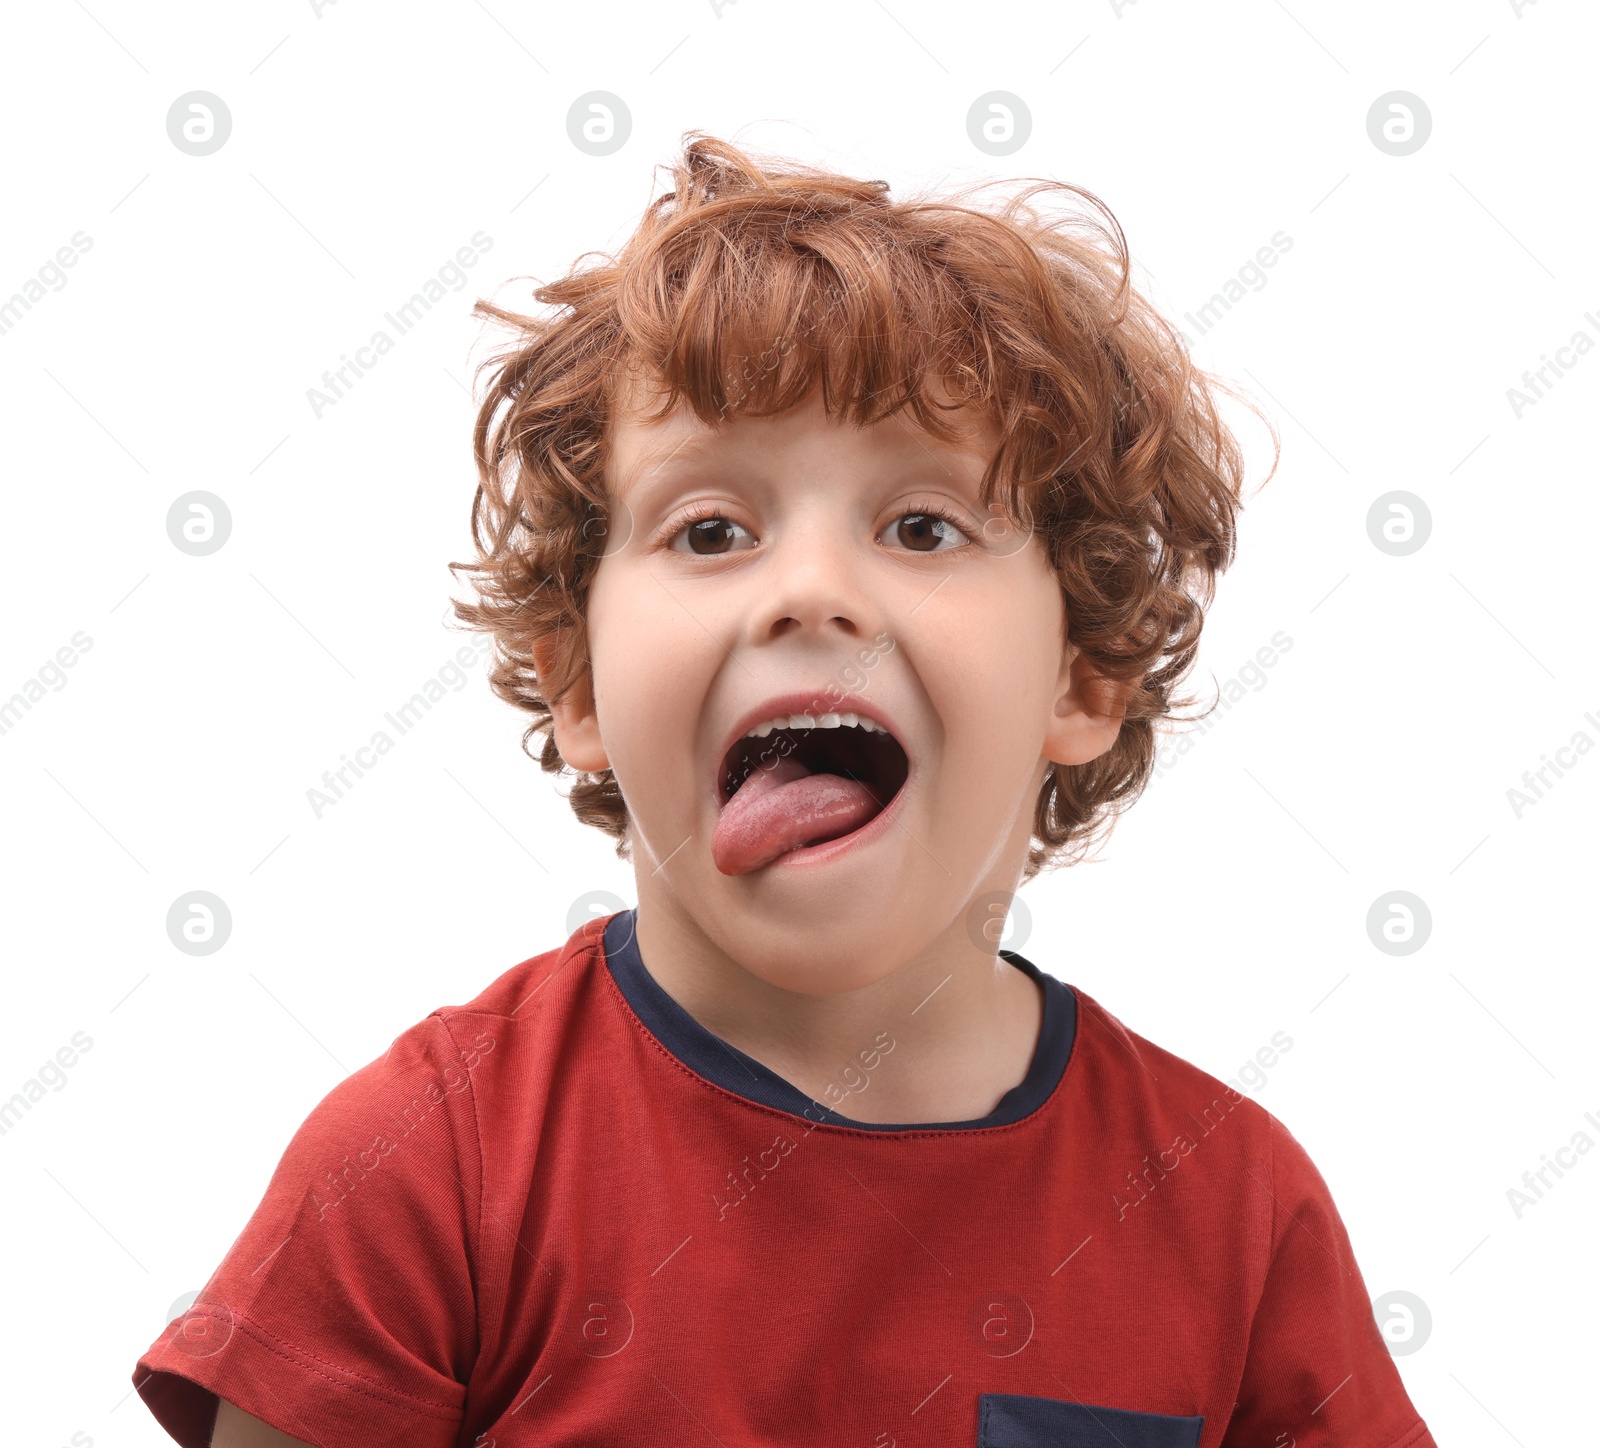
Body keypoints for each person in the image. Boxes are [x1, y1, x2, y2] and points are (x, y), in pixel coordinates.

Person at [132, 133, 1437, 1448]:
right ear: (579, 683)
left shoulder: (1232, 1213)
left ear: (1080, 682)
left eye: (924, 526)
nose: (810, 589)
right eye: (711, 531)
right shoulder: (425, 1170)